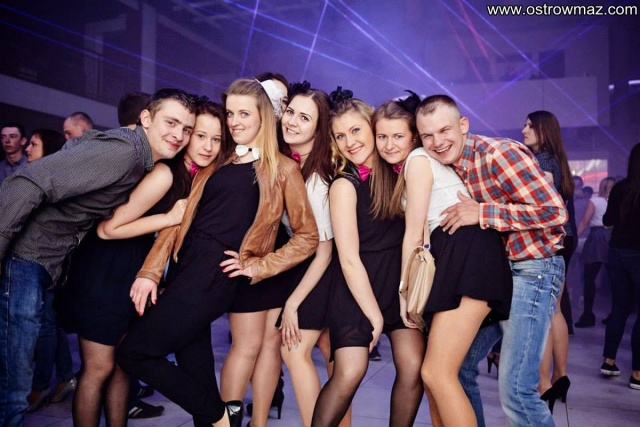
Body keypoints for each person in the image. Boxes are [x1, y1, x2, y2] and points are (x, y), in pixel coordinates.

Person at [116, 78, 318, 427]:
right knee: (197, 371)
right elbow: (178, 223)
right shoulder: (219, 161)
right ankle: (216, 419)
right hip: (185, 270)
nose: (234, 121)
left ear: (263, 116)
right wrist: (151, 271)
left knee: (133, 352)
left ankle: (219, 414)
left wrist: (259, 266)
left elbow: (308, 236)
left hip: (212, 275)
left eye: (244, 113)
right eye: (230, 113)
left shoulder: (283, 169)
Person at [0, 88, 197, 427]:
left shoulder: (135, 155)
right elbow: (26, 181)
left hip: (43, 262)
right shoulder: (125, 154)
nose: (178, 135)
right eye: (171, 122)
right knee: (15, 389)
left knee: (17, 383)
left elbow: (76, 152)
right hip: (25, 257)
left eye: (186, 129)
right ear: (146, 118)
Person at [62, 100, 226, 427]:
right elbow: (108, 229)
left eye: (216, 139)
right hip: (106, 271)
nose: (207, 146)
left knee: (123, 367)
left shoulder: (193, 177)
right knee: (98, 369)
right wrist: (169, 217)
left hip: (133, 273)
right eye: (199, 135)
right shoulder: (165, 173)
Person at [416, 94, 567, 427]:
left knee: (517, 390)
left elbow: (554, 212)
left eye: (444, 130)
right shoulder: (448, 164)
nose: (437, 142)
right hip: (501, 275)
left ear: (463, 125)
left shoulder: (499, 154)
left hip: (532, 268)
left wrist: (483, 213)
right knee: (456, 369)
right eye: (428, 135)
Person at [384, 93, 511, 427]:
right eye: (381, 136)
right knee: (434, 380)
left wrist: (404, 293)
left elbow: (414, 234)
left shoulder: (418, 160)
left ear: (411, 137)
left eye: (397, 135)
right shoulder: (423, 161)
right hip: (456, 256)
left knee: (437, 373)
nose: (389, 144)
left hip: (466, 253)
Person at [311, 91, 424, 427]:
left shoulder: (402, 173)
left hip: (397, 285)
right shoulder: (344, 185)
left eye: (356, 130)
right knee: (350, 371)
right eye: (340, 136)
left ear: (373, 128)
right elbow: (348, 259)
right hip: (355, 289)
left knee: (413, 368)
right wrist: (374, 316)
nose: (350, 142)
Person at [272, 82, 338, 427]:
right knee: (328, 354)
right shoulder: (291, 164)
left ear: (319, 128)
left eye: (304, 118)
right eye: (290, 112)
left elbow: (325, 251)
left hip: (324, 269)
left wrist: (293, 303)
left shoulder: (317, 179)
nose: (292, 121)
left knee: (293, 349)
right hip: (302, 266)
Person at [521, 110, 576, 413]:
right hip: (565, 238)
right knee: (554, 310)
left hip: (547, 240)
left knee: (542, 311)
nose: (524, 130)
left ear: (543, 130)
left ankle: (542, 385)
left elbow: (538, 206)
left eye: (530, 125)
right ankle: (561, 375)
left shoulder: (540, 161)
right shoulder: (558, 160)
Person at [21, 128, 74, 412]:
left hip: (45, 263)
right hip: (45, 263)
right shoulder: (44, 177)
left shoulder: (50, 181)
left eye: (34, 144)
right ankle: (64, 377)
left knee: (44, 325)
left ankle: (40, 386)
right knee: (52, 323)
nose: (27, 148)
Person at [600, 142, 640, 388]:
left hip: (616, 252)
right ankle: (637, 373)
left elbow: (608, 220)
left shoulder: (620, 187)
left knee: (620, 308)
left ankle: (609, 361)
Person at [575, 176, 616, 327]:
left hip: (597, 238)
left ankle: (588, 315)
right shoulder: (618, 201)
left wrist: (574, 239)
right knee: (615, 279)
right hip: (613, 237)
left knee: (589, 278)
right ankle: (614, 315)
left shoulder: (595, 201)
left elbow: (584, 222)